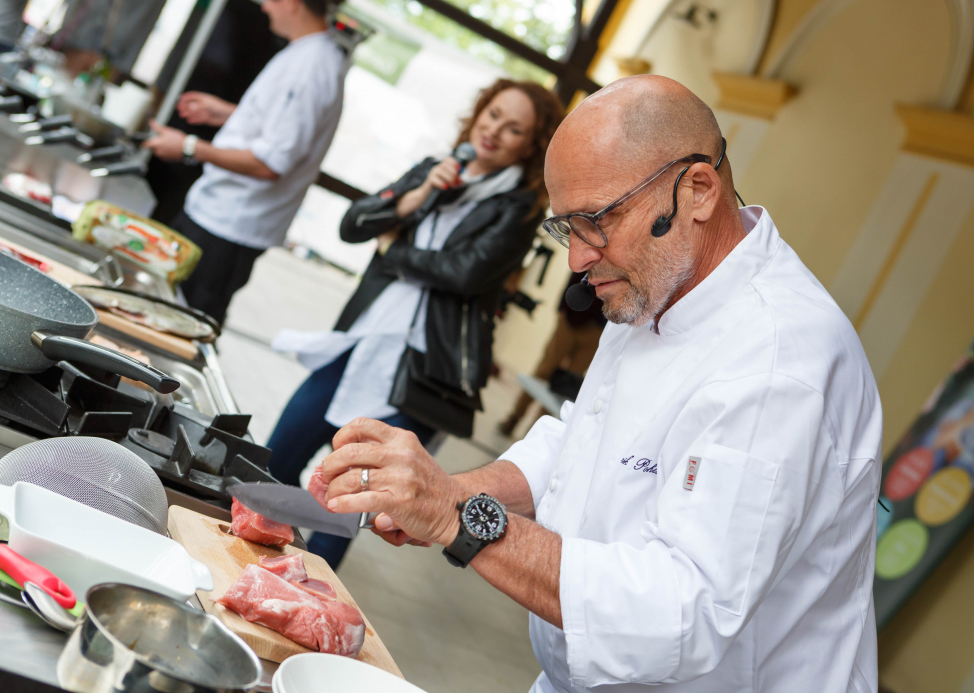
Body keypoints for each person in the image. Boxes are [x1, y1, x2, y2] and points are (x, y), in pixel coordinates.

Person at [315, 75, 883, 692]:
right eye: (566, 227)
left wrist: (459, 516)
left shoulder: (780, 364)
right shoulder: (657, 279)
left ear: (695, 189)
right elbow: (581, 440)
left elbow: (680, 617)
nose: (577, 260)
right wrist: (449, 490)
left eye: (596, 220)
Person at [267, 78, 565, 569]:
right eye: (492, 115)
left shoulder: (518, 208)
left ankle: (297, 597)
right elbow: (355, 223)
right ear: (477, 114)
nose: (494, 131)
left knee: (345, 503)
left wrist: (394, 249)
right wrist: (424, 191)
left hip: (423, 373)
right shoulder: (436, 171)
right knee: (276, 457)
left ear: (531, 145)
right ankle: (242, 553)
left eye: (513, 129)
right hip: (362, 342)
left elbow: (465, 274)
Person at [143, 0, 349, 325]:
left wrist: (189, 146)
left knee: (180, 323)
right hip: (217, 214)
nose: (265, 7)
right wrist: (224, 112)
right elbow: (283, 130)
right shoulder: (306, 53)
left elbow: (270, 164)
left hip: (230, 227)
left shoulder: (312, 67)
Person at [499, 271, 606, 437]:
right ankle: (514, 417)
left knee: (564, 387)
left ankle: (536, 433)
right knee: (544, 370)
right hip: (570, 320)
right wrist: (562, 308)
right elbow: (575, 276)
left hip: (596, 331)